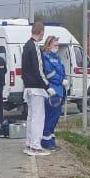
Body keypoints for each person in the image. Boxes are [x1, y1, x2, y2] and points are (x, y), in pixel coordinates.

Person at [21, 22, 52, 156]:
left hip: (28, 87)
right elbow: (39, 70)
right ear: (41, 32)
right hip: (37, 88)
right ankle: (36, 146)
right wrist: (48, 86)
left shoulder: (26, 46)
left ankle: (29, 143)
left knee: (31, 117)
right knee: (38, 118)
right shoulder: (35, 47)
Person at [40, 36, 67, 151]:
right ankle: (46, 141)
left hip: (60, 91)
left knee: (55, 118)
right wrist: (61, 80)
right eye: (55, 45)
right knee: (50, 117)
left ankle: (51, 139)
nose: (57, 47)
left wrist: (63, 79)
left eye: (58, 45)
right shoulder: (46, 58)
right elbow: (50, 74)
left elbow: (62, 71)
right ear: (48, 45)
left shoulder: (57, 58)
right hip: (52, 91)